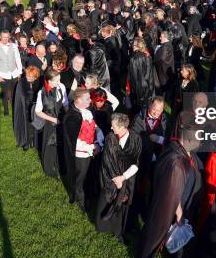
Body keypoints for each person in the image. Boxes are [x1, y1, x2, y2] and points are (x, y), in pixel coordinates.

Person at [137, 116, 202, 258]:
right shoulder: (176, 163)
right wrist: (178, 210)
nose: (200, 143)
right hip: (169, 210)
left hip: (177, 206)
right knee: (155, 236)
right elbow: (171, 192)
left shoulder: (179, 149)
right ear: (189, 140)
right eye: (198, 140)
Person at [95, 113, 142, 242]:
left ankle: (119, 228)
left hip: (128, 177)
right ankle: (105, 226)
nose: (111, 128)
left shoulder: (136, 139)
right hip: (112, 177)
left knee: (124, 203)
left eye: (113, 126)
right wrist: (117, 179)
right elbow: (108, 161)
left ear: (122, 127)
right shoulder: (111, 137)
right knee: (108, 199)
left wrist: (124, 177)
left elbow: (137, 162)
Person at [63, 88, 103, 211]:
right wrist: (92, 147)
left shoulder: (88, 112)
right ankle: (81, 200)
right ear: (79, 100)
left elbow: (95, 127)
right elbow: (75, 142)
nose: (90, 101)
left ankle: (90, 195)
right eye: (87, 99)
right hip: (80, 155)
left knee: (89, 175)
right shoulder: (71, 117)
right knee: (80, 178)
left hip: (91, 150)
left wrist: (98, 143)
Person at [34, 68, 68, 177]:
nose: (59, 82)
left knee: (61, 143)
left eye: (59, 79)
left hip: (61, 119)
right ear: (49, 81)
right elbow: (38, 112)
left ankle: (60, 165)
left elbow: (65, 103)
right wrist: (53, 119)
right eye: (56, 80)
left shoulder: (61, 87)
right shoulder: (42, 93)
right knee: (49, 144)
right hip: (50, 122)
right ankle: (49, 168)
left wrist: (66, 116)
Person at [0, 30, 23, 116]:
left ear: (9, 37)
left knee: (14, 92)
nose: (5, 39)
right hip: (3, 75)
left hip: (14, 74)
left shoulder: (14, 46)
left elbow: (18, 59)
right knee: (5, 94)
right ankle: (6, 109)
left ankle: (14, 107)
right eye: (4, 37)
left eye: (7, 37)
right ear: (0, 37)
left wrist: (19, 72)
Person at [13, 66, 41, 151]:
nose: (28, 77)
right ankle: (25, 142)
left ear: (35, 77)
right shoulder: (21, 83)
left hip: (35, 109)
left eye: (30, 76)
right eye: (27, 75)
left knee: (34, 125)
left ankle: (33, 141)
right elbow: (19, 97)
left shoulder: (39, 83)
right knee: (25, 125)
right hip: (24, 109)